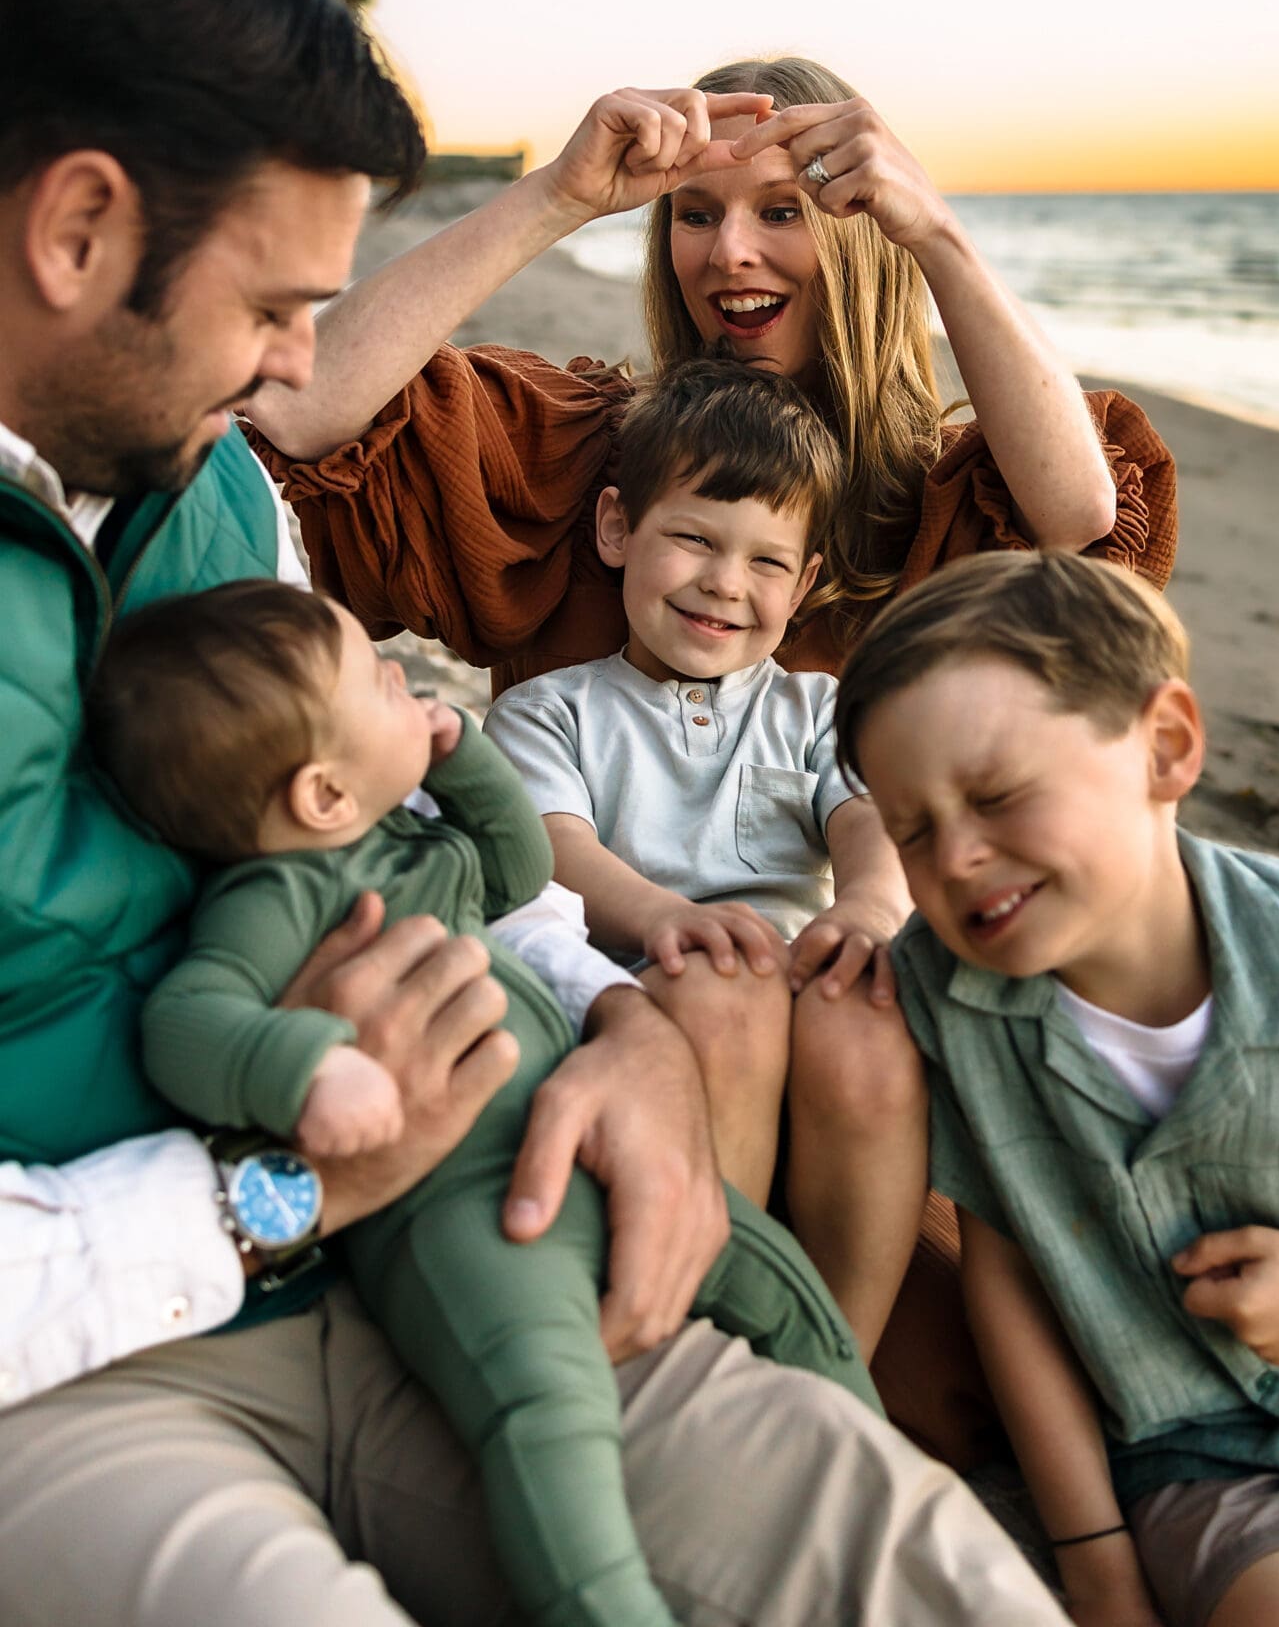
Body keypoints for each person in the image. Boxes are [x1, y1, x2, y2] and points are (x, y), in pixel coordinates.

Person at [0, 0, 1069, 1627]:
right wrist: (276, 1188)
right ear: (79, 230)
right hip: (95, 1359)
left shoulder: (216, 504)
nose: (295, 364)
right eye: (277, 301)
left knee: (924, 1573)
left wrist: (629, 1030)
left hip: (455, 1225)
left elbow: (431, 830)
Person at [245, 55, 1178, 1463]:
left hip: (852, 1020)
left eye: (784, 209)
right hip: (622, 999)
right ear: (624, 529)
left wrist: (936, 229)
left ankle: (809, 1412)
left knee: (998, 1380)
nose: (727, 251)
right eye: (693, 213)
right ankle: (715, 1399)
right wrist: (561, 194)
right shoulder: (591, 456)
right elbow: (301, 422)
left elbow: (1079, 524)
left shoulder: (939, 493)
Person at [88, 575, 881, 1627]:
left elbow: (514, 868)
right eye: (378, 680)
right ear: (323, 794)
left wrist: (460, 759)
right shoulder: (278, 896)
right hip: (465, 1207)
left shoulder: (410, 839)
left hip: (574, 1129)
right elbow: (188, 1020)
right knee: (545, 1413)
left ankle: (857, 1433)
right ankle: (602, 1602)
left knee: (785, 1288)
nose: (406, 678)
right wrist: (314, 1070)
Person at [835, 549, 1279, 1627]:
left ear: (1165, 747)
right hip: (1202, 1460)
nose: (960, 854)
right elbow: (1012, 1275)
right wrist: (1096, 1561)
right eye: (913, 830)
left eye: (996, 794)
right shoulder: (949, 1001)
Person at [484, 353, 923, 1357]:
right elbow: (555, 844)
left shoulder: (815, 708)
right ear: (616, 529)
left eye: (767, 561)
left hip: (793, 981)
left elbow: (866, 818)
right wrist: (664, 914)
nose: (727, 583)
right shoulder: (552, 709)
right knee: (720, 990)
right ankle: (707, 1335)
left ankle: (834, 1359)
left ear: (806, 581)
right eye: (693, 538)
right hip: (643, 980)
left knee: (868, 1025)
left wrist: (865, 905)